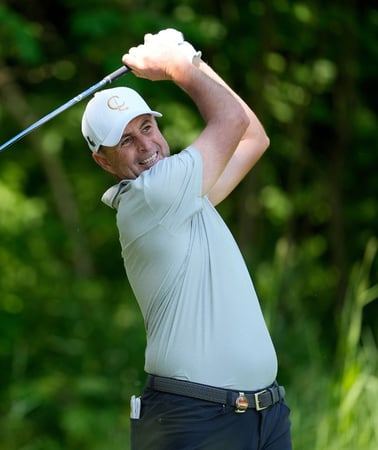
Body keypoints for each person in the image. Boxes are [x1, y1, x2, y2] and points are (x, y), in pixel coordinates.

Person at [80, 29, 291, 449]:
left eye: (146, 127)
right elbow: (230, 121)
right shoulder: (150, 196)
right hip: (196, 419)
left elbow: (253, 137)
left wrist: (190, 58)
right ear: (103, 161)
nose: (146, 146)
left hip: (262, 418)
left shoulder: (183, 195)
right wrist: (176, 66)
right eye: (125, 140)